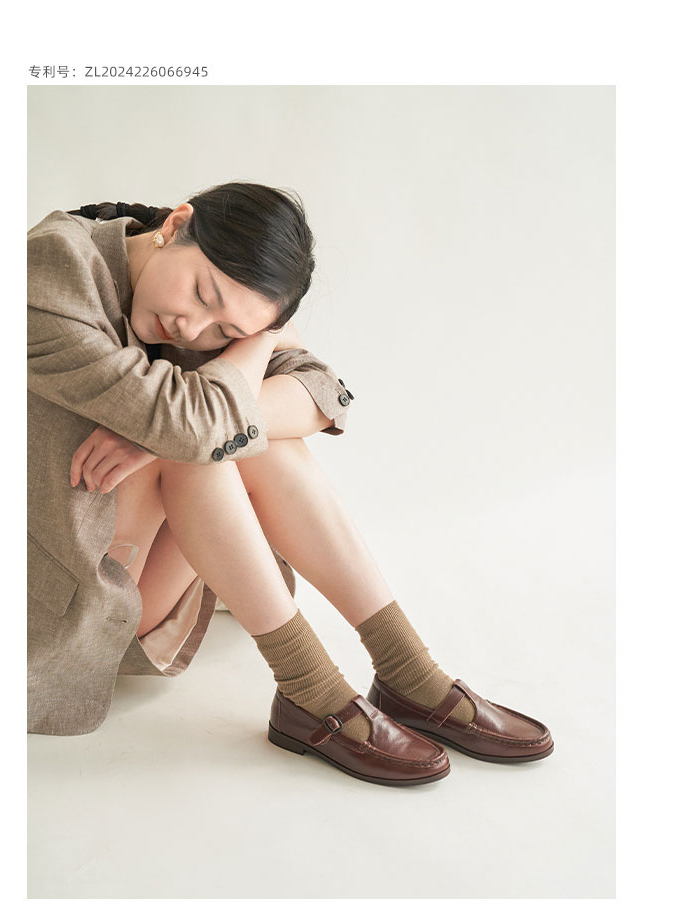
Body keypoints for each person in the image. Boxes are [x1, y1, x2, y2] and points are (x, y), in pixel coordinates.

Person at [28, 182, 553, 786]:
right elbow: (193, 425)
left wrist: (248, 350)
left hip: (137, 575)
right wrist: (226, 378)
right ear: (174, 225)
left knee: (244, 437)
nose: (192, 328)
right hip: (48, 594)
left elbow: (324, 395)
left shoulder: (232, 315)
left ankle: (407, 671)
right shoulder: (52, 266)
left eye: (227, 330)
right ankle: (309, 684)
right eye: (201, 293)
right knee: (201, 448)